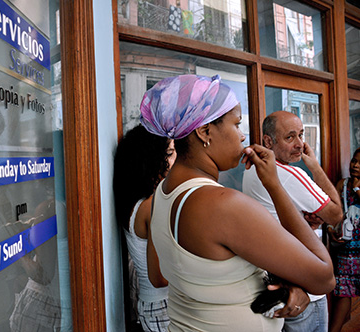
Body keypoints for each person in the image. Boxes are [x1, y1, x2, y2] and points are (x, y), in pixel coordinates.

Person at [140, 74, 335, 332]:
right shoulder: (223, 205)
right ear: (204, 131)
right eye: (236, 124)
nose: (243, 137)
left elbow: (177, 276)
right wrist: (275, 186)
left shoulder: (163, 195)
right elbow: (324, 277)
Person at [242, 110, 343, 332]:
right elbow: (336, 215)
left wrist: (304, 219)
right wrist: (314, 165)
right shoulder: (289, 174)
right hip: (307, 292)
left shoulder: (252, 170)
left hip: (280, 283)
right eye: (290, 137)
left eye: (301, 135)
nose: (300, 144)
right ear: (268, 141)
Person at [113, 125, 176, 332]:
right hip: (164, 307)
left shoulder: (138, 203)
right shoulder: (151, 205)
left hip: (155, 306)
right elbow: (159, 278)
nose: (176, 160)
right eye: (170, 153)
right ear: (152, 160)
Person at [329, 147, 360, 332]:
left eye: (359, 162)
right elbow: (334, 212)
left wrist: (358, 190)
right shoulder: (343, 184)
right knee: (343, 293)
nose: (355, 165)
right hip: (347, 250)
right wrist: (332, 229)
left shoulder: (354, 188)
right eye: (354, 161)